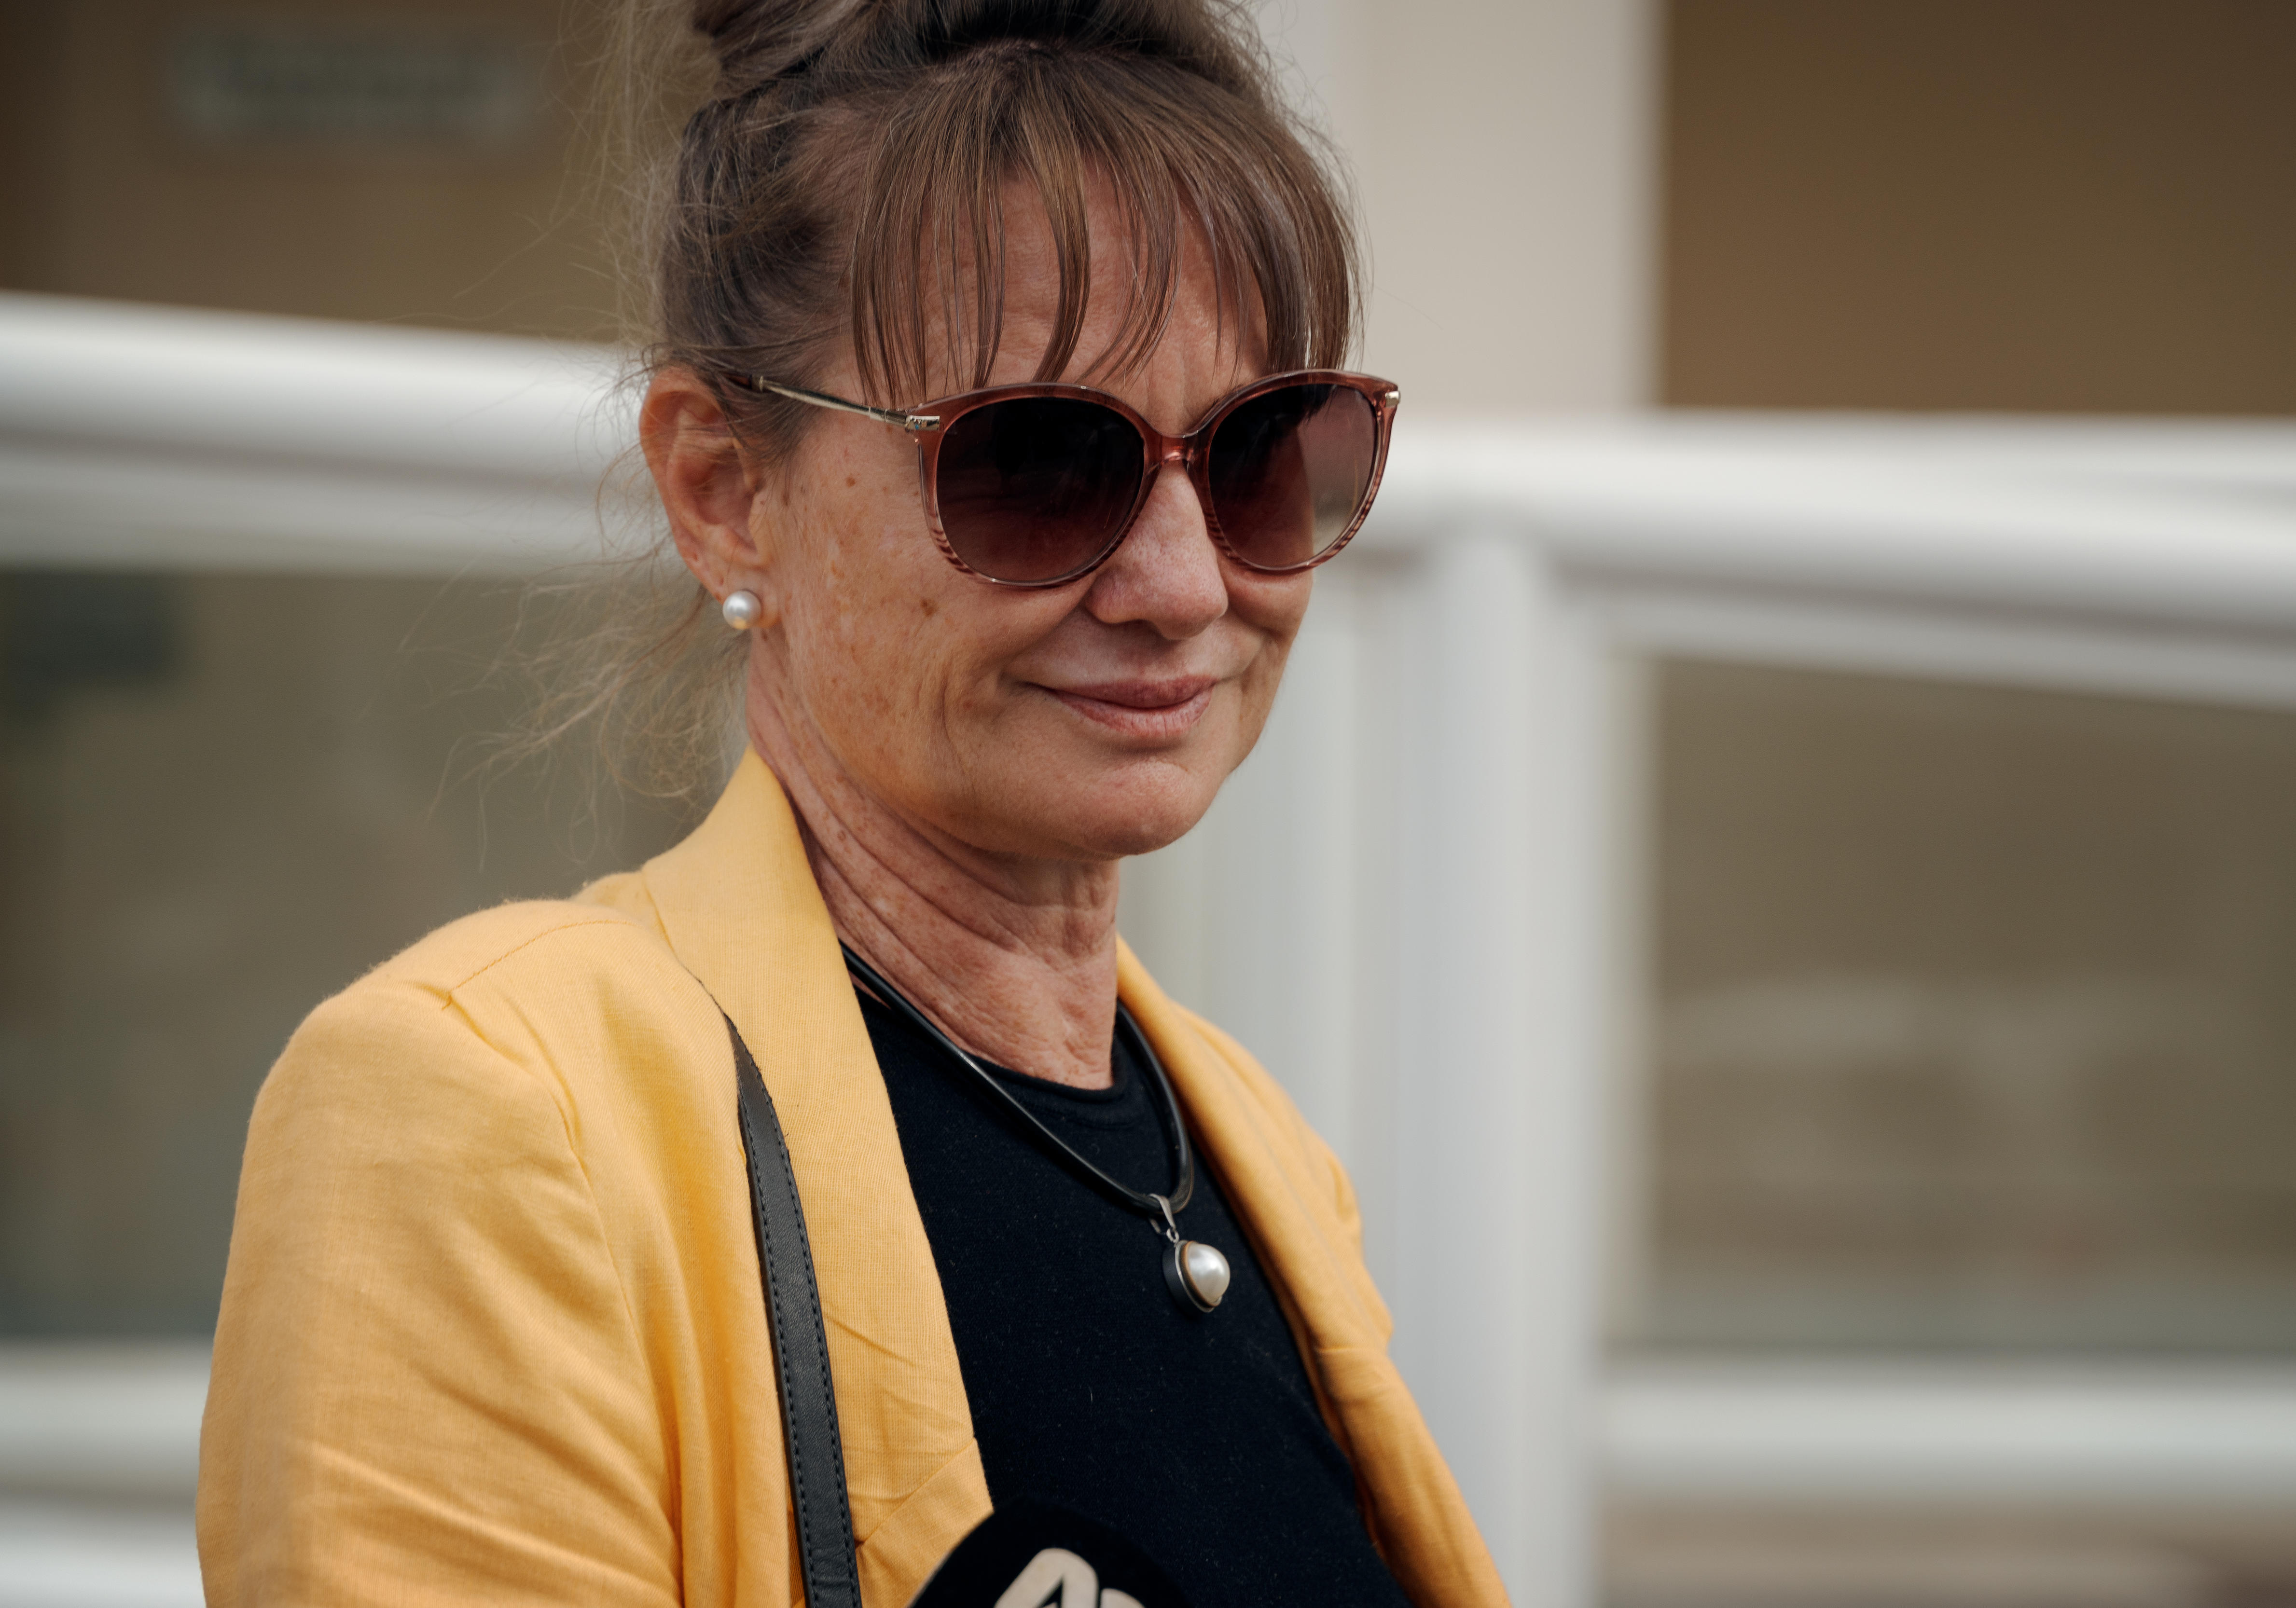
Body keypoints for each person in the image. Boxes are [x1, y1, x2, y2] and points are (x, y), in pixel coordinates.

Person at [197, 1, 1506, 1604]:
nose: (1181, 585)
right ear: (727, 493)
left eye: (1255, 458)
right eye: (1035, 463)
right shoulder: (482, 1116)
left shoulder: (1260, 1153)